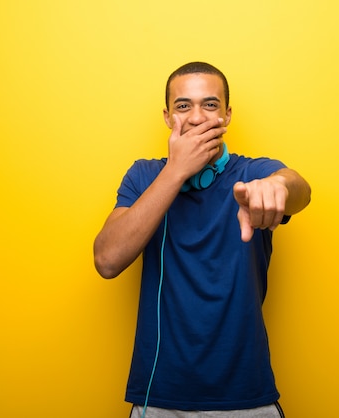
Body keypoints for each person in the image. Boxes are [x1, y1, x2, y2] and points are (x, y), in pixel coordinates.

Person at [93, 62, 311, 418]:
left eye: (210, 105)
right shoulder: (144, 175)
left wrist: (279, 187)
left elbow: (299, 189)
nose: (196, 117)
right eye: (183, 106)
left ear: (227, 115)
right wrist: (176, 171)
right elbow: (107, 260)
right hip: (160, 398)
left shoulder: (251, 173)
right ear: (167, 117)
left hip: (248, 398)